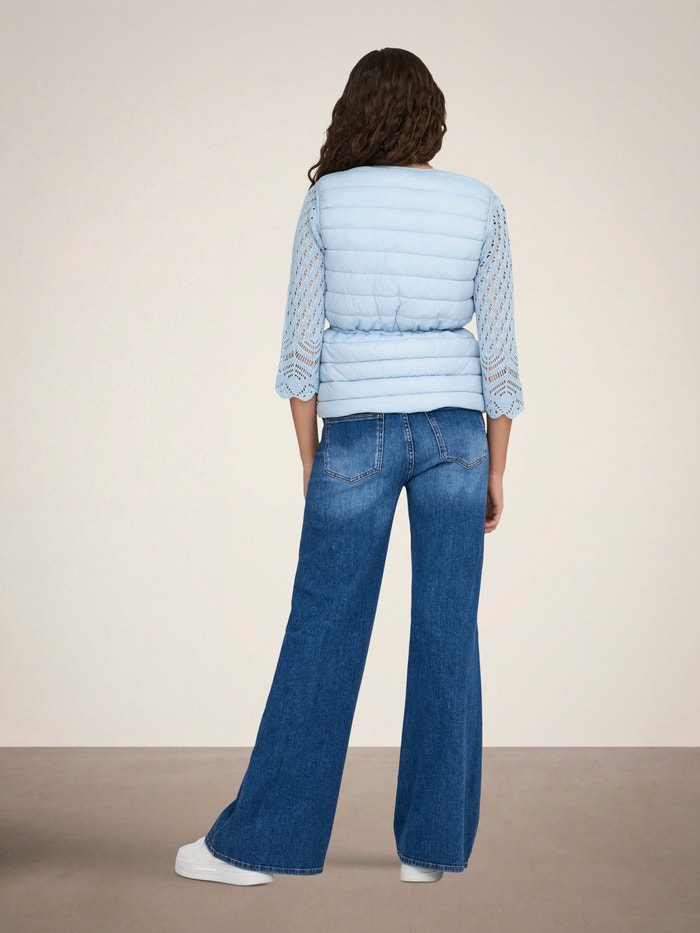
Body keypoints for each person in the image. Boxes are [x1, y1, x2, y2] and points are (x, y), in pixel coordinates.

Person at [175, 47, 524, 887]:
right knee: (448, 631)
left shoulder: (327, 200)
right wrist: (497, 469)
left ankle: (259, 846)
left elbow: (301, 353)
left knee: (322, 629)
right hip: (456, 432)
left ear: (356, 112)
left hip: (356, 432)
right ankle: (430, 849)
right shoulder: (480, 203)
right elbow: (502, 357)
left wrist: (310, 457)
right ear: (430, 116)